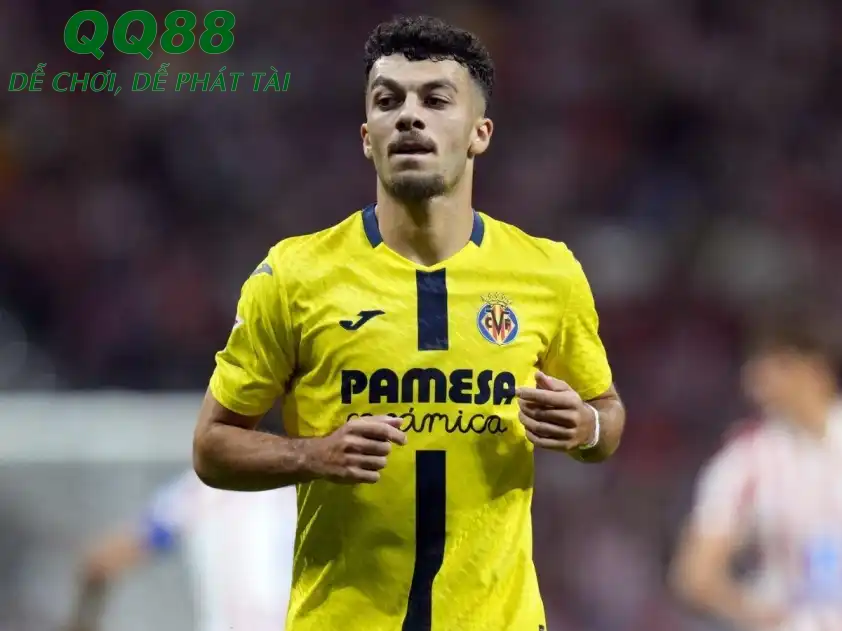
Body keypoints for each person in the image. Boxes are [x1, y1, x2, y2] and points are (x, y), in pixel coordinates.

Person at [192, 15, 626, 631]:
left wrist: (586, 427)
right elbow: (211, 448)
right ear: (367, 137)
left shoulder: (549, 273)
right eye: (388, 100)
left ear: (479, 133)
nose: (408, 117)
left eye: (435, 100)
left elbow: (607, 416)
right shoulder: (293, 275)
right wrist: (313, 455)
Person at [670, 315, 842, 630]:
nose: (756, 383)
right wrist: (761, 617)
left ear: (813, 367)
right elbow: (696, 573)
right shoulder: (747, 461)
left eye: (773, 367)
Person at [67, 469, 296, 631]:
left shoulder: (202, 489)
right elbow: (102, 562)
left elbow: (101, 562)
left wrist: (81, 622)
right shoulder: (202, 490)